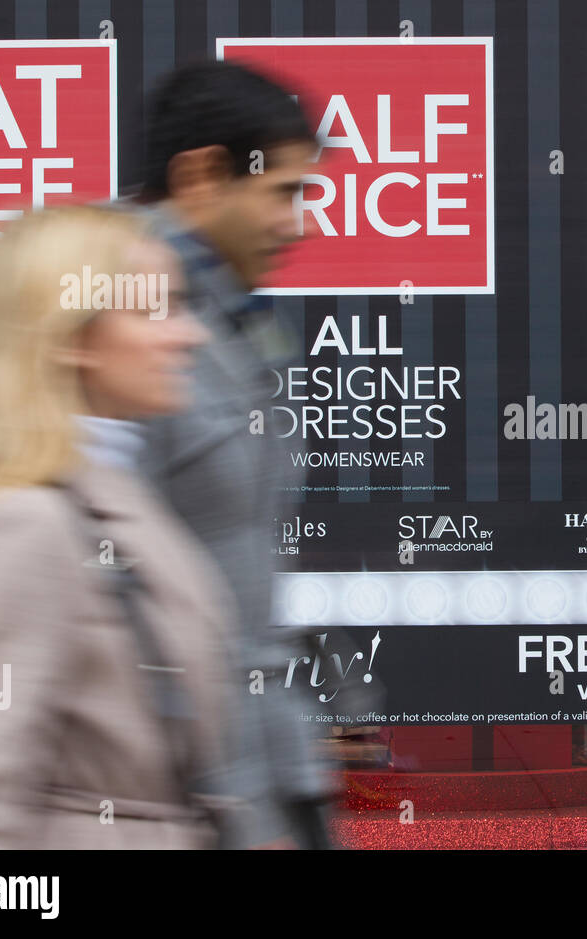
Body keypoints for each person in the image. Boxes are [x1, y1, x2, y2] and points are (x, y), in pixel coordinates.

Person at [0, 205, 229, 848]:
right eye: (153, 309)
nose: (190, 335)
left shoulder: (113, 496)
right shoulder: (24, 524)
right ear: (70, 335)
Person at [132, 61, 335, 849]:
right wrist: (225, 806)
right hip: (189, 797)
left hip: (263, 771)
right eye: (284, 193)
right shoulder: (112, 326)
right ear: (202, 176)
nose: (301, 223)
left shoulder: (239, 320)